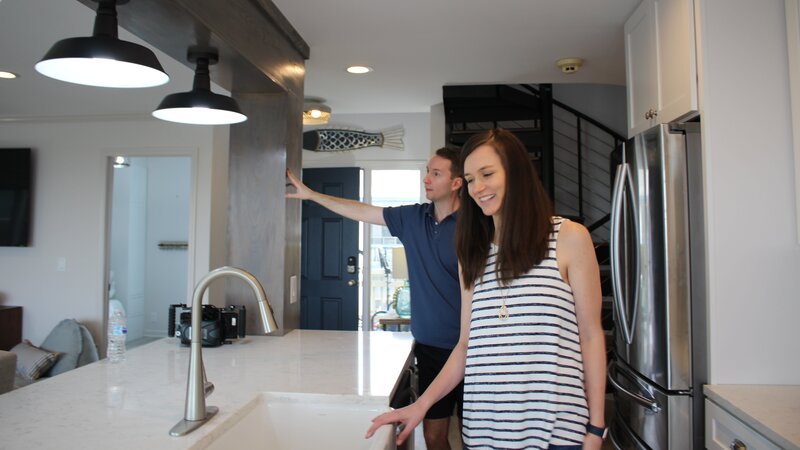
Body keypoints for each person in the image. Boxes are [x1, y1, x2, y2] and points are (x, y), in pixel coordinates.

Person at [366, 129, 607, 450]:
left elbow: (591, 336)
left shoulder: (568, 237)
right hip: (484, 430)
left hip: (556, 429)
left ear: (516, 172)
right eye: (469, 179)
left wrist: (596, 428)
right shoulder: (472, 253)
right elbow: (465, 346)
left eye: (487, 174)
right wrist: (421, 405)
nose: (477, 187)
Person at [286, 147, 465, 450]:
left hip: (474, 349)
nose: (426, 179)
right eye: (427, 171)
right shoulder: (412, 218)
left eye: (436, 173)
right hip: (432, 349)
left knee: (474, 435)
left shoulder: (475, 225)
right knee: (434, 437)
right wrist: (312, 195)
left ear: (457, 182)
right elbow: (362, 210)